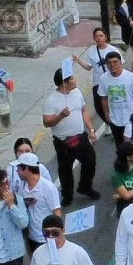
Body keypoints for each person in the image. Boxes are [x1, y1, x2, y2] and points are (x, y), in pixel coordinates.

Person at [42, 68, 99, 205]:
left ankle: (85, 187)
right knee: (65, 170)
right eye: (72, 79)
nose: (75, 80)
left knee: (90, 162)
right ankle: (67, 196)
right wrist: (61, 116)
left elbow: (83, 110)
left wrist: (91, 129)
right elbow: (46, 122)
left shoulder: (77, 92)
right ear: (64, 83)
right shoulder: (51, 101)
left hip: (81, 137)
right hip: (63, 142)